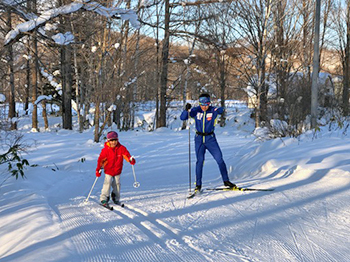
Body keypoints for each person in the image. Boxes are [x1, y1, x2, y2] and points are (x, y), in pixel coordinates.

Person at [180, 93, 236, 192]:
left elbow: (220, 110)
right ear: (199, 103)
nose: (204, 107)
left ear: (209, 103)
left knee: (219, 159)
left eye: (206, 104)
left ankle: (226, 181)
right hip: (199, 139)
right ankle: (198, 185)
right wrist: (186, 110)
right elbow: (183, 117)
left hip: (210, 139)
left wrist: (220, 109)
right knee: (200, 161)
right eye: (202, 104)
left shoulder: (212, 110)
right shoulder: (196, 111)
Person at [96, 131, 136, 207]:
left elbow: (126, 155)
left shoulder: (121, 148)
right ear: (108, 141)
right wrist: (98, 169)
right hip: (108, 170)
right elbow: (101, 160)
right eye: (111, 140)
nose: (113, 142)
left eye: (115, 140)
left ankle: (115, 197)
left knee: (117, 184)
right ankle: (104, 198)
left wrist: (130, 159)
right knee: (107, 183)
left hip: (117, 170)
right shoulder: (105, 150)